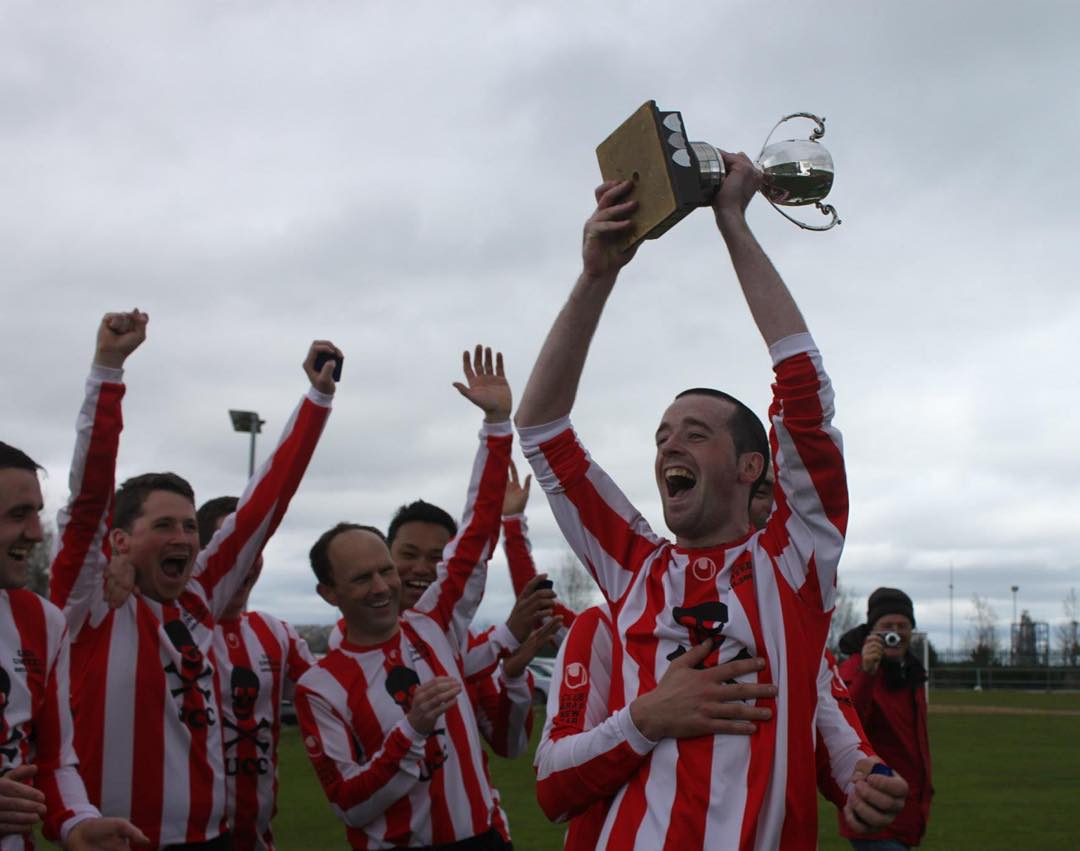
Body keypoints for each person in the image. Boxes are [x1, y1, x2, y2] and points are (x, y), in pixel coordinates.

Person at [514, 160, 858, 849]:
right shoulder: (633, 564)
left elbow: (804, 394)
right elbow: (543, 429)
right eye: (662, 436)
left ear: (749, 466)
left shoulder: (794, 563)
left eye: (694, 434)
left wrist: (733, 223)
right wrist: (596, 276)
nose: (670, 446)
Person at [49, 309, 338, 849]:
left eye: (188, 525)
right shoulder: (88, 603)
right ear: (120, 542)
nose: (183, 537)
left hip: (215, 839)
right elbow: (89, 498)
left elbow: (265, 505)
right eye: (163, 526)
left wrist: (316, 401)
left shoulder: (199, 599)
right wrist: (108, 371)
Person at [534, 466, 906, 849]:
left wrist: (866, 780)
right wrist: (645, 719)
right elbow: (553, 787)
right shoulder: (602, 628)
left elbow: (843, 753)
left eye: (777, 499)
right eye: (759, 492)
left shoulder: (802, 645)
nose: (770, 511)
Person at [295, 346, 526, 850]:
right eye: (361, 580)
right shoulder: (320, 687)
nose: (381, 587)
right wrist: (411, 729)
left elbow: (474, 536)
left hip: (484, 840)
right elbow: (348, 803)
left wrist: (496, 425)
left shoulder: (431, 624)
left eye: (384, 571)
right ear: (328, 593)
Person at [0, 441, 147, 850]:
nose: (33, 533)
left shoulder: (43, 621)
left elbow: (53, 761)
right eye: (18, 515)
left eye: (36, 514)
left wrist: (77, 821)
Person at [200, 497, 316, 851]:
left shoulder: (276, 633)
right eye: (233, 546)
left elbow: (336, 695)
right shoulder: (166, 630)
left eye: (256, 546)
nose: (244, 560)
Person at [837, 588, 932, 849]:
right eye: (887, 626)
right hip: (872, 809)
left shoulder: (911, 673)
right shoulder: (855, 669)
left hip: (905, 808)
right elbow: (845, 725)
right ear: (872, 630)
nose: (896, 633)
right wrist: (867, 672)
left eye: (903, 625)